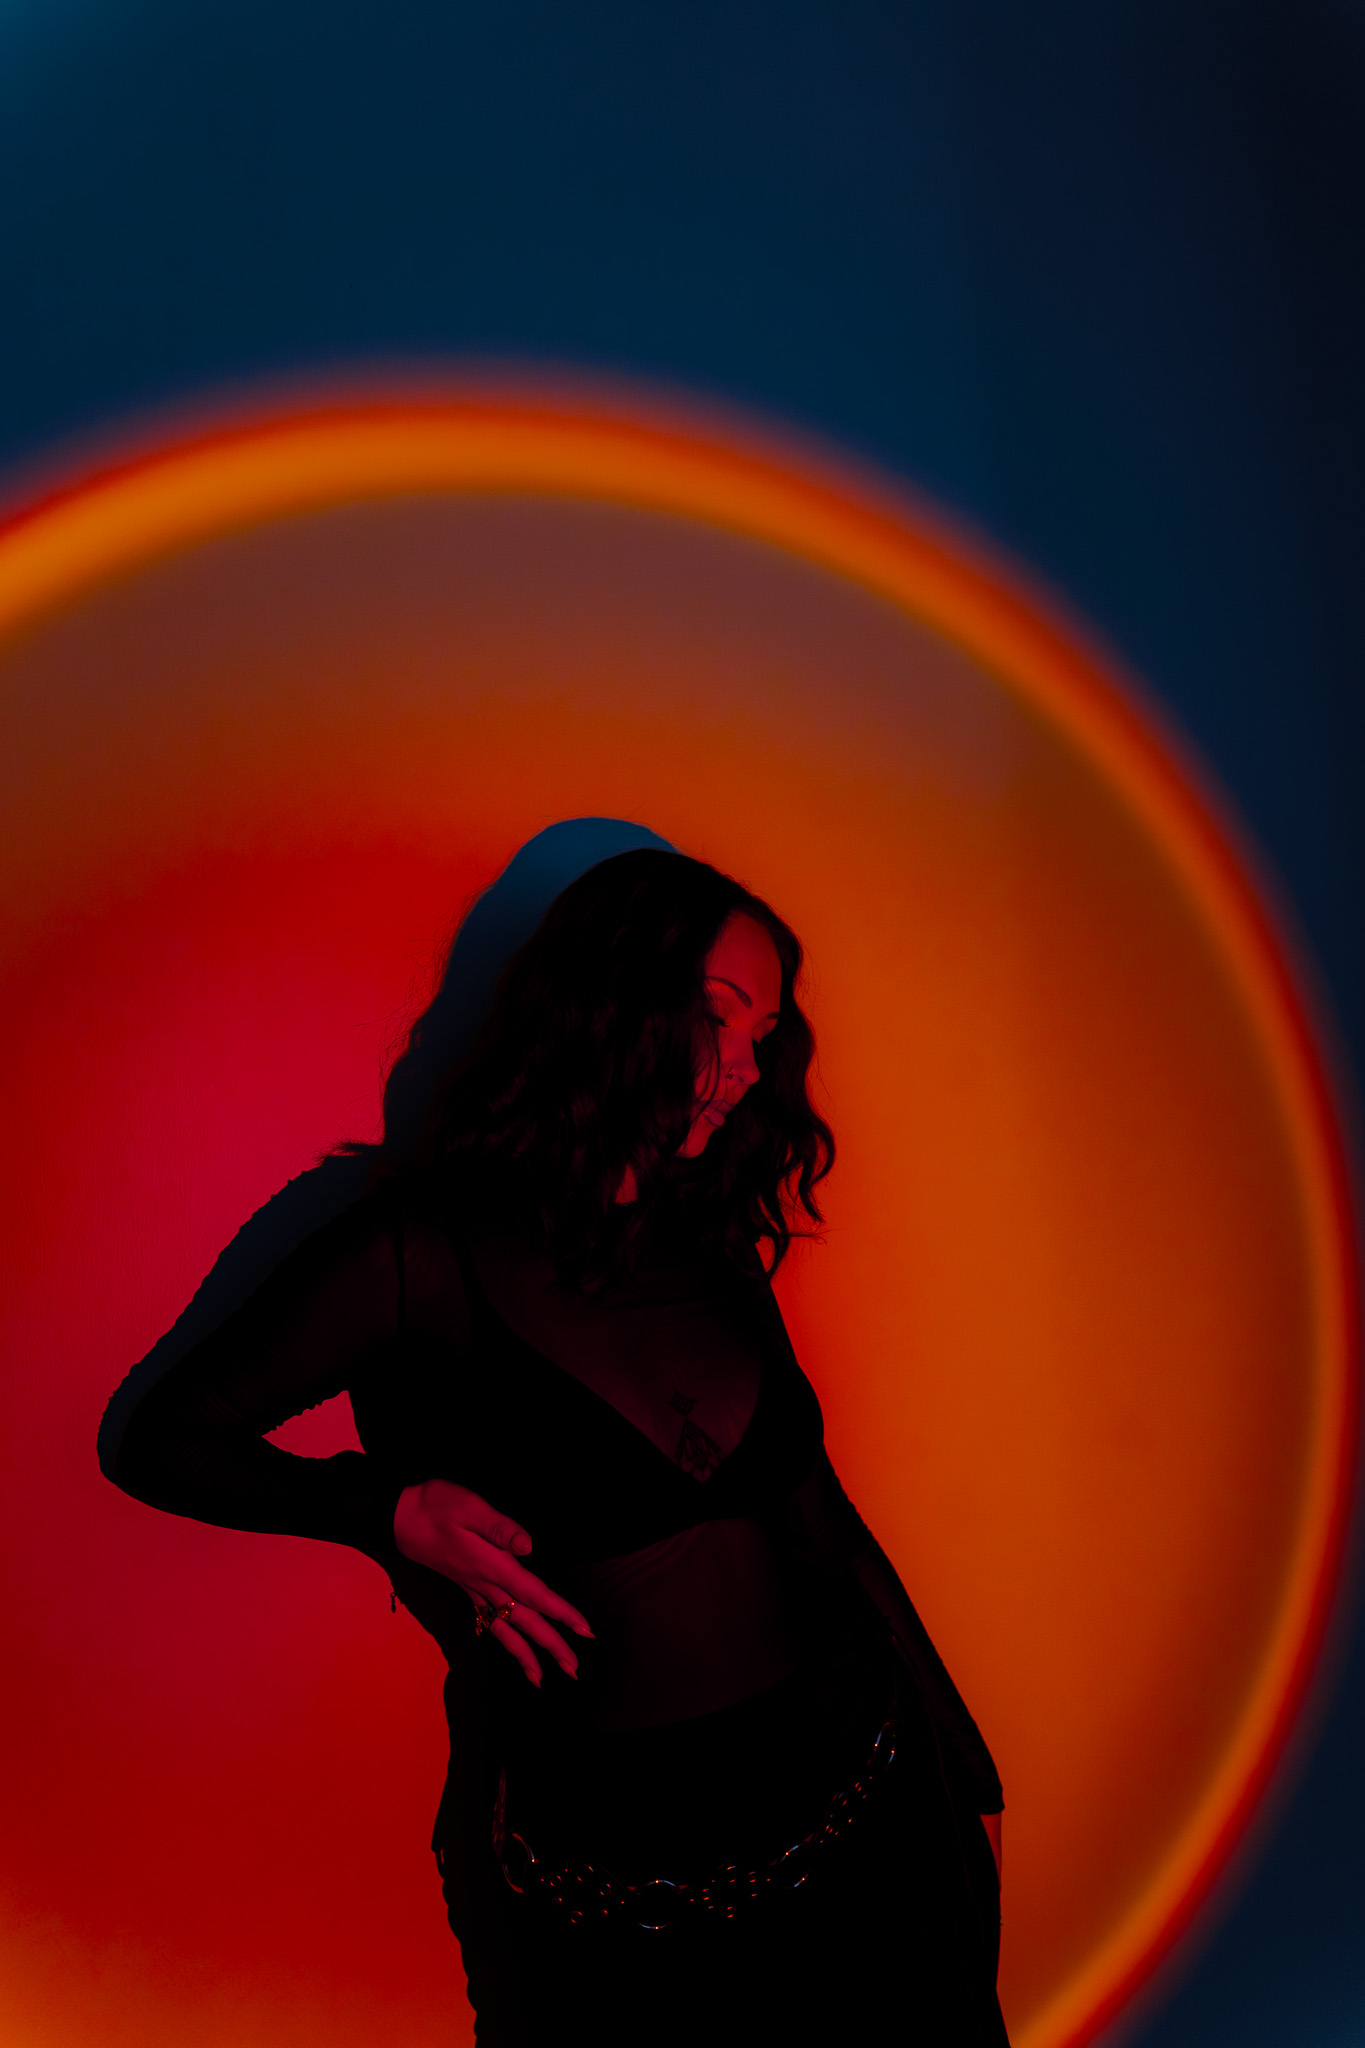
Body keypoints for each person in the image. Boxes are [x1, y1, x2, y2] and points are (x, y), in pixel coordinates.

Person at [103, 846, 1009, 2046]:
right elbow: (160, 1438)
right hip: (623, 1884)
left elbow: (818, 1518)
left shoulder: (710, 1241)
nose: (745, 1067)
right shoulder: (421, 1248)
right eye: (715, 1016)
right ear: (612, 1001)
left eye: (766, 1031)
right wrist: (382, 1510)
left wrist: (965, 1764)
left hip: (872, 1815)